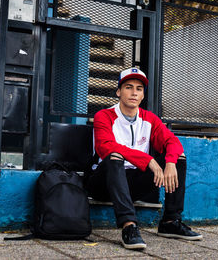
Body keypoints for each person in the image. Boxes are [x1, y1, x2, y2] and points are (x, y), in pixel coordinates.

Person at [85, 67, 202, 250]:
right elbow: (104, 146)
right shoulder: (104, 116)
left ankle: (170, 221)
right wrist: (147, 160)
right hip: (104, 183)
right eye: (128, 87)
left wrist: (170, 162)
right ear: (118, 92)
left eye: (139, 89)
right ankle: (129, 226)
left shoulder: (150, 119)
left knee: (179, 157)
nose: (134, 92)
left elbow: (172, 141)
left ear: (142, 95)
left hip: (134, 185)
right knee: (114, 156)